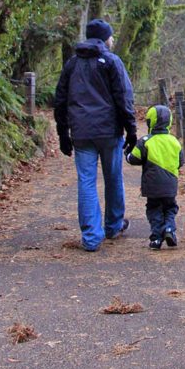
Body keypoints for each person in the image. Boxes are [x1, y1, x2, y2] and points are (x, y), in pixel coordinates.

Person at [54, 19, 137, 251]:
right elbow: (124, 98)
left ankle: (91, 237)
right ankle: (113, 225)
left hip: (81, 132)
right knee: (113, 178)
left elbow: (60, 100)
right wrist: (131, 130)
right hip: (109, 131)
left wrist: (63, 133)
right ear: (104, 38)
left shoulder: (72, 64)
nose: (112, 39)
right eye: (110, 35)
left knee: (86, 182)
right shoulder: (111, 61)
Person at [126, 104, 184, 250]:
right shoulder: (174, 141)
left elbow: (133, 159)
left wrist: (127, 153)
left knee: (154, 209)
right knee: (170, 207)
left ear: (149, 121)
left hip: (152, 185)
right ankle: (169, 228)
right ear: (169, 121)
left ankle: (156, 238)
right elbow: (181, 161)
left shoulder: (146, 141)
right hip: (170, 184)